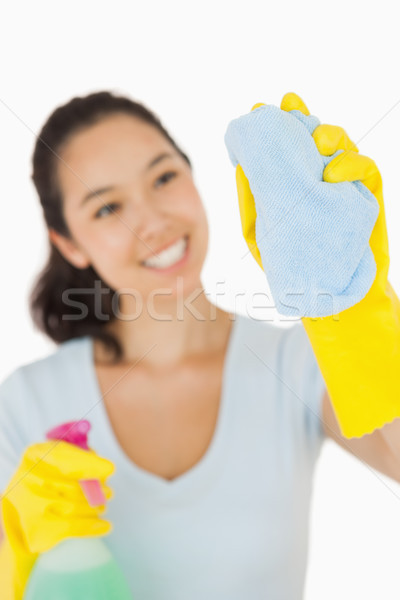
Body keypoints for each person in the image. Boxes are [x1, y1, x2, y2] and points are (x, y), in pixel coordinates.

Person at [0, 90, 351, 598]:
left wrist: (355, 301)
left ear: (192, 175)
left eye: (163, 177)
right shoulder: (24, 405)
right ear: (69, 243)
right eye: (107, 208)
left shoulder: (297, 364)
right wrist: (12, 548)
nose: (153, 222)